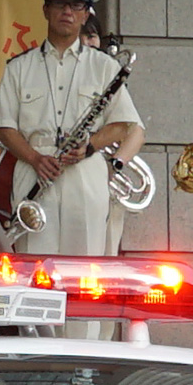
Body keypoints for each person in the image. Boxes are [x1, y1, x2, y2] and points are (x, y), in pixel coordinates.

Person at [0, 0, 140, 339]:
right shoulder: (20, 67)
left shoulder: (105, 67)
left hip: (83, 172)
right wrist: (34, 157)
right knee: (35, 268)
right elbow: (4, 125)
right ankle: (38, 351)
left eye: (76, 6)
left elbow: (124, 124)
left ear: (87, 13)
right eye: (59, 4)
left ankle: (82, 353)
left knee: (84, 268)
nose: (67, 13)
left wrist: (90, 145)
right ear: (45, 10)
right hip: (34, 169)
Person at [80, 17, 146, 257]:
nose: (86, 42)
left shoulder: (109, 75)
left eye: (91, 35)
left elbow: (135, 131)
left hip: (103, 176)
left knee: (105, 255)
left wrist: (115, 164)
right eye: (82, 35)